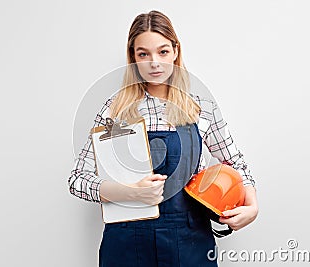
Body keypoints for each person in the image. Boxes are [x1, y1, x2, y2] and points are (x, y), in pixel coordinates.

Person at [68, 10, 258, 267]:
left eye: (163, 51)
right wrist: (129, 193)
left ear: (176, 51)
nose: (154, 63)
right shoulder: (114, 110)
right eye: (143, 54)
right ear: (132, 57)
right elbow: (78, 179)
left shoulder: (200, 108)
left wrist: (252, 205)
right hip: (126, 244)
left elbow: (236, 165)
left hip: (189, 241)